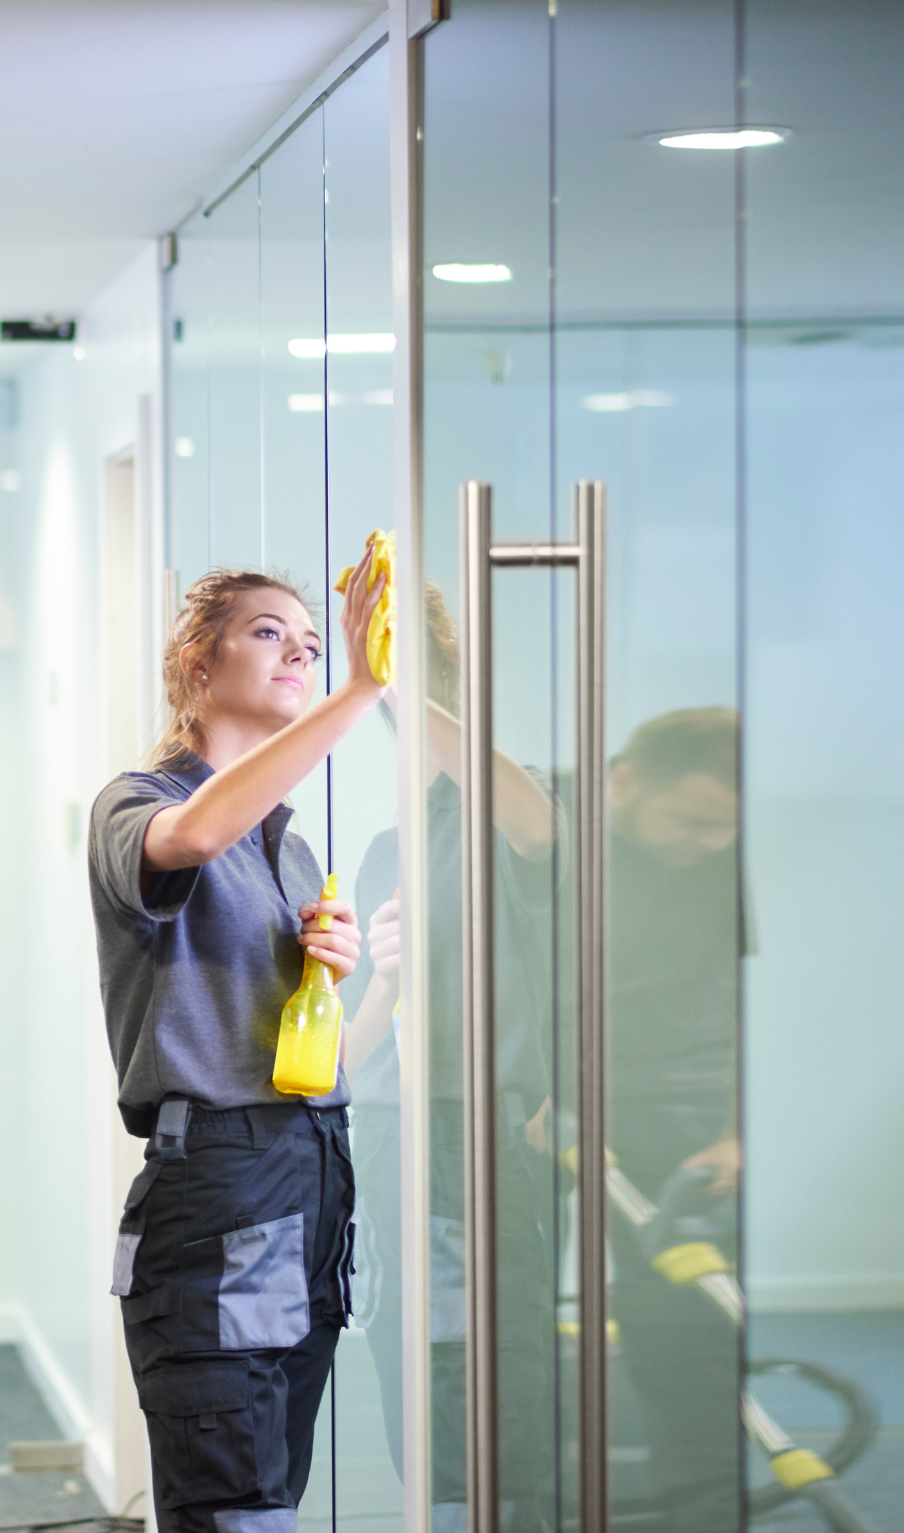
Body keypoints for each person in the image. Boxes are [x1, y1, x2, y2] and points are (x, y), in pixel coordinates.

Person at [88, 559, 385, 1533]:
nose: (298, 650)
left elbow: (302, 1046)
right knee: (232, 1503)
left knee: (270, 1494)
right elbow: (190, 837)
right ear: (196, 663)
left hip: (310, 1170)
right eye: (268, 632)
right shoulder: (136, 803)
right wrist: (357, 690)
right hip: (221, 1183)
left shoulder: (287, 848)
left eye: (311, 642)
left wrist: (330, 976)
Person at [336, 585, 561, 1533]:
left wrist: (393, 676)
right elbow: (349, 1053)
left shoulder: (507, 808)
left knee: (493, 1368)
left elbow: (536, 824)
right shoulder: (385, 849)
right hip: (393, 1135)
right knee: (412, 1367)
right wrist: (385, 980)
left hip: (482, 1134)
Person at [604, 708, 744, 1529]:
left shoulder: (730, 864)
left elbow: (753, 999)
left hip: (683, 1108)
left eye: (726, 826)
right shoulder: (552, 833)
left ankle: (702, 1507)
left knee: (683, 1322)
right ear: (623, 784)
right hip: (547, 1102)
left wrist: (734, 1133)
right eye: (692, 822)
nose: (712, 841)